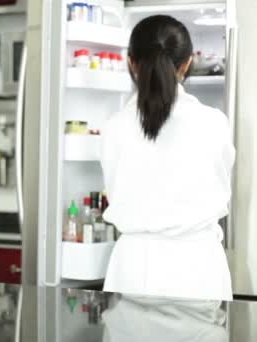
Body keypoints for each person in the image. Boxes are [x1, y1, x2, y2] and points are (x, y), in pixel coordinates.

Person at [100, 15, 235, 301]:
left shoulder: (113, 127)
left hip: (132, 268)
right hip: (198, 268)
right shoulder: (213, 123)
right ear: (186, 64)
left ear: (131, 62)